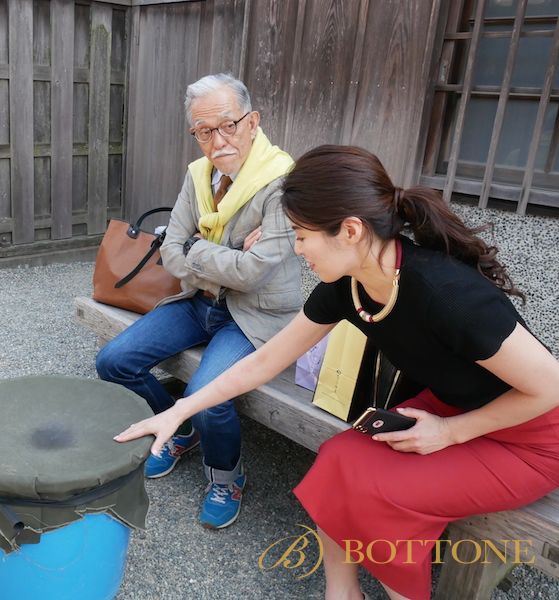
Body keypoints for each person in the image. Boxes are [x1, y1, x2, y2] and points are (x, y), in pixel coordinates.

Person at [115, 145, 559, 599]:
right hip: (449, 408)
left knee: (383, 498)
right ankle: (342, 592)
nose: (296, 248)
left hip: (530, 435)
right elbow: (267, 361)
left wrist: (451, 431)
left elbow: (551, 389)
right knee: (336, 462)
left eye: (302, 235)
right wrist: (179, 409)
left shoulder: (449, 296)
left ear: (350, 230)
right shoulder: (347, 287)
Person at [96, 73, 301, 529]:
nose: (218, 140)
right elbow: (170, 252)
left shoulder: (284, 184)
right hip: (199, 300)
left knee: (207, 397)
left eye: (228, 125)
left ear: (252, 122)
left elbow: (255, 273)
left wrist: (192, 248)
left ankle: (227, 477)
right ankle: (178, 428)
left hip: (253, 314)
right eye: (204, 131)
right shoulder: (199, 174)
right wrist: (210, 253)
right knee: (113, 360)